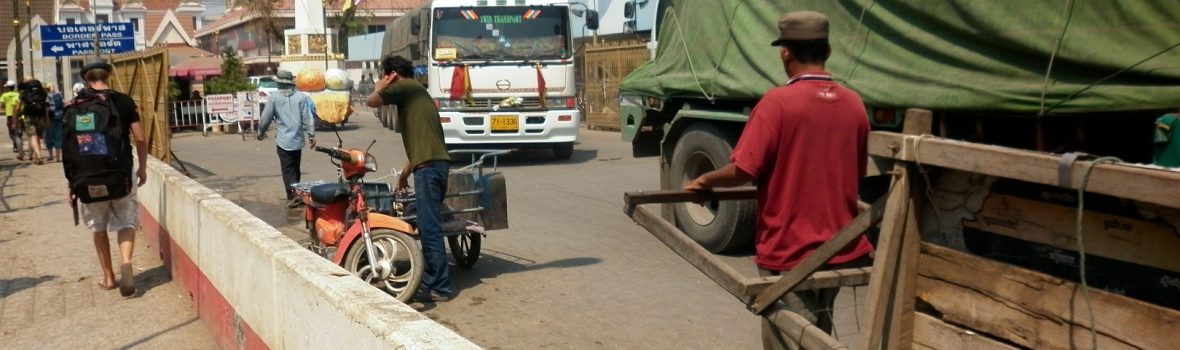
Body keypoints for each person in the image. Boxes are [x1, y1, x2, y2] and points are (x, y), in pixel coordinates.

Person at [683, 11, 873, 350]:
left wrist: (704, 180)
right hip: (838, 248)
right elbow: (853, 173)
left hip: (789, 252)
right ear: (827, 50)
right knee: (818, 336)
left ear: (785, 52)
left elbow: (743, 171)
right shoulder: (854, 104)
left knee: (788, 341)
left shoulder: (777, 104)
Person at [366, 55, 454, 303]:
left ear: (392, 74)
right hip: (434, 166)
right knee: (430, 225)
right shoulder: (417, 94)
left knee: (429, 228)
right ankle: (436, 282)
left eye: (385, 76)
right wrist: (404, 176)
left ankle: (438, 287)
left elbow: (372, 101)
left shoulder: (405, 86)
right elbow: (419, 148)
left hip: (429, 169)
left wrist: (381, 86)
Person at [69, 59, 148, 296]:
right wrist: (142, 168)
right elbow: (140, 138)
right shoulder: (123, 101)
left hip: (87, 177)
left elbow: (70, 148)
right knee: (126, 221)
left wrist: (72, 183)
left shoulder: (76, 105)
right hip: (121, 174)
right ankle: (126, 261)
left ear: (86, 79)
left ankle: (108, 277)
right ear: (109, 76)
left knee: (98, 226)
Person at [255, 70, 316, 208]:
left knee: (287, 168)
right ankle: (296, 193)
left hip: (283, 141)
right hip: (298, 140)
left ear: (279, 83)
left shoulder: (274, 98)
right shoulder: (301, 97)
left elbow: (266, 117)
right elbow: (307, 117)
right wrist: (311, 135)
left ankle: (293, 195)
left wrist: (261, 132)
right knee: (295, 167)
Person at [18, 79, 50, 164]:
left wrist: (18, 115)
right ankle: (37, 156)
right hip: (40, 116)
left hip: (29, 117)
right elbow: (46, 107)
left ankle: (38, 156)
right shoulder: (42, 93)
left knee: (33, 136)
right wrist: (47, 119)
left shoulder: (23, 93)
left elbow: (19, 106)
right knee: (38, 136)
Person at [44, 85, 65, 162]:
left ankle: (50, 156)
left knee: (49, 138)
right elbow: (63, 106)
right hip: (59, 119)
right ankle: (57, 157)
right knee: (58, 138)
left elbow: (46, 110)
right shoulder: (59, 96)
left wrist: (47, 120)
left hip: (50, 120)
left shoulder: (46, 98)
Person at [3, 81, 21, 157]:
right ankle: (17, 144)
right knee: (18, 130)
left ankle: (16, 143)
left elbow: (2, 104)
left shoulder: (4, 95)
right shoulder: (18, 94)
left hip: (9, 114)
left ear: (7, 87)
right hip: (18, 114)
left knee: (11, 132)